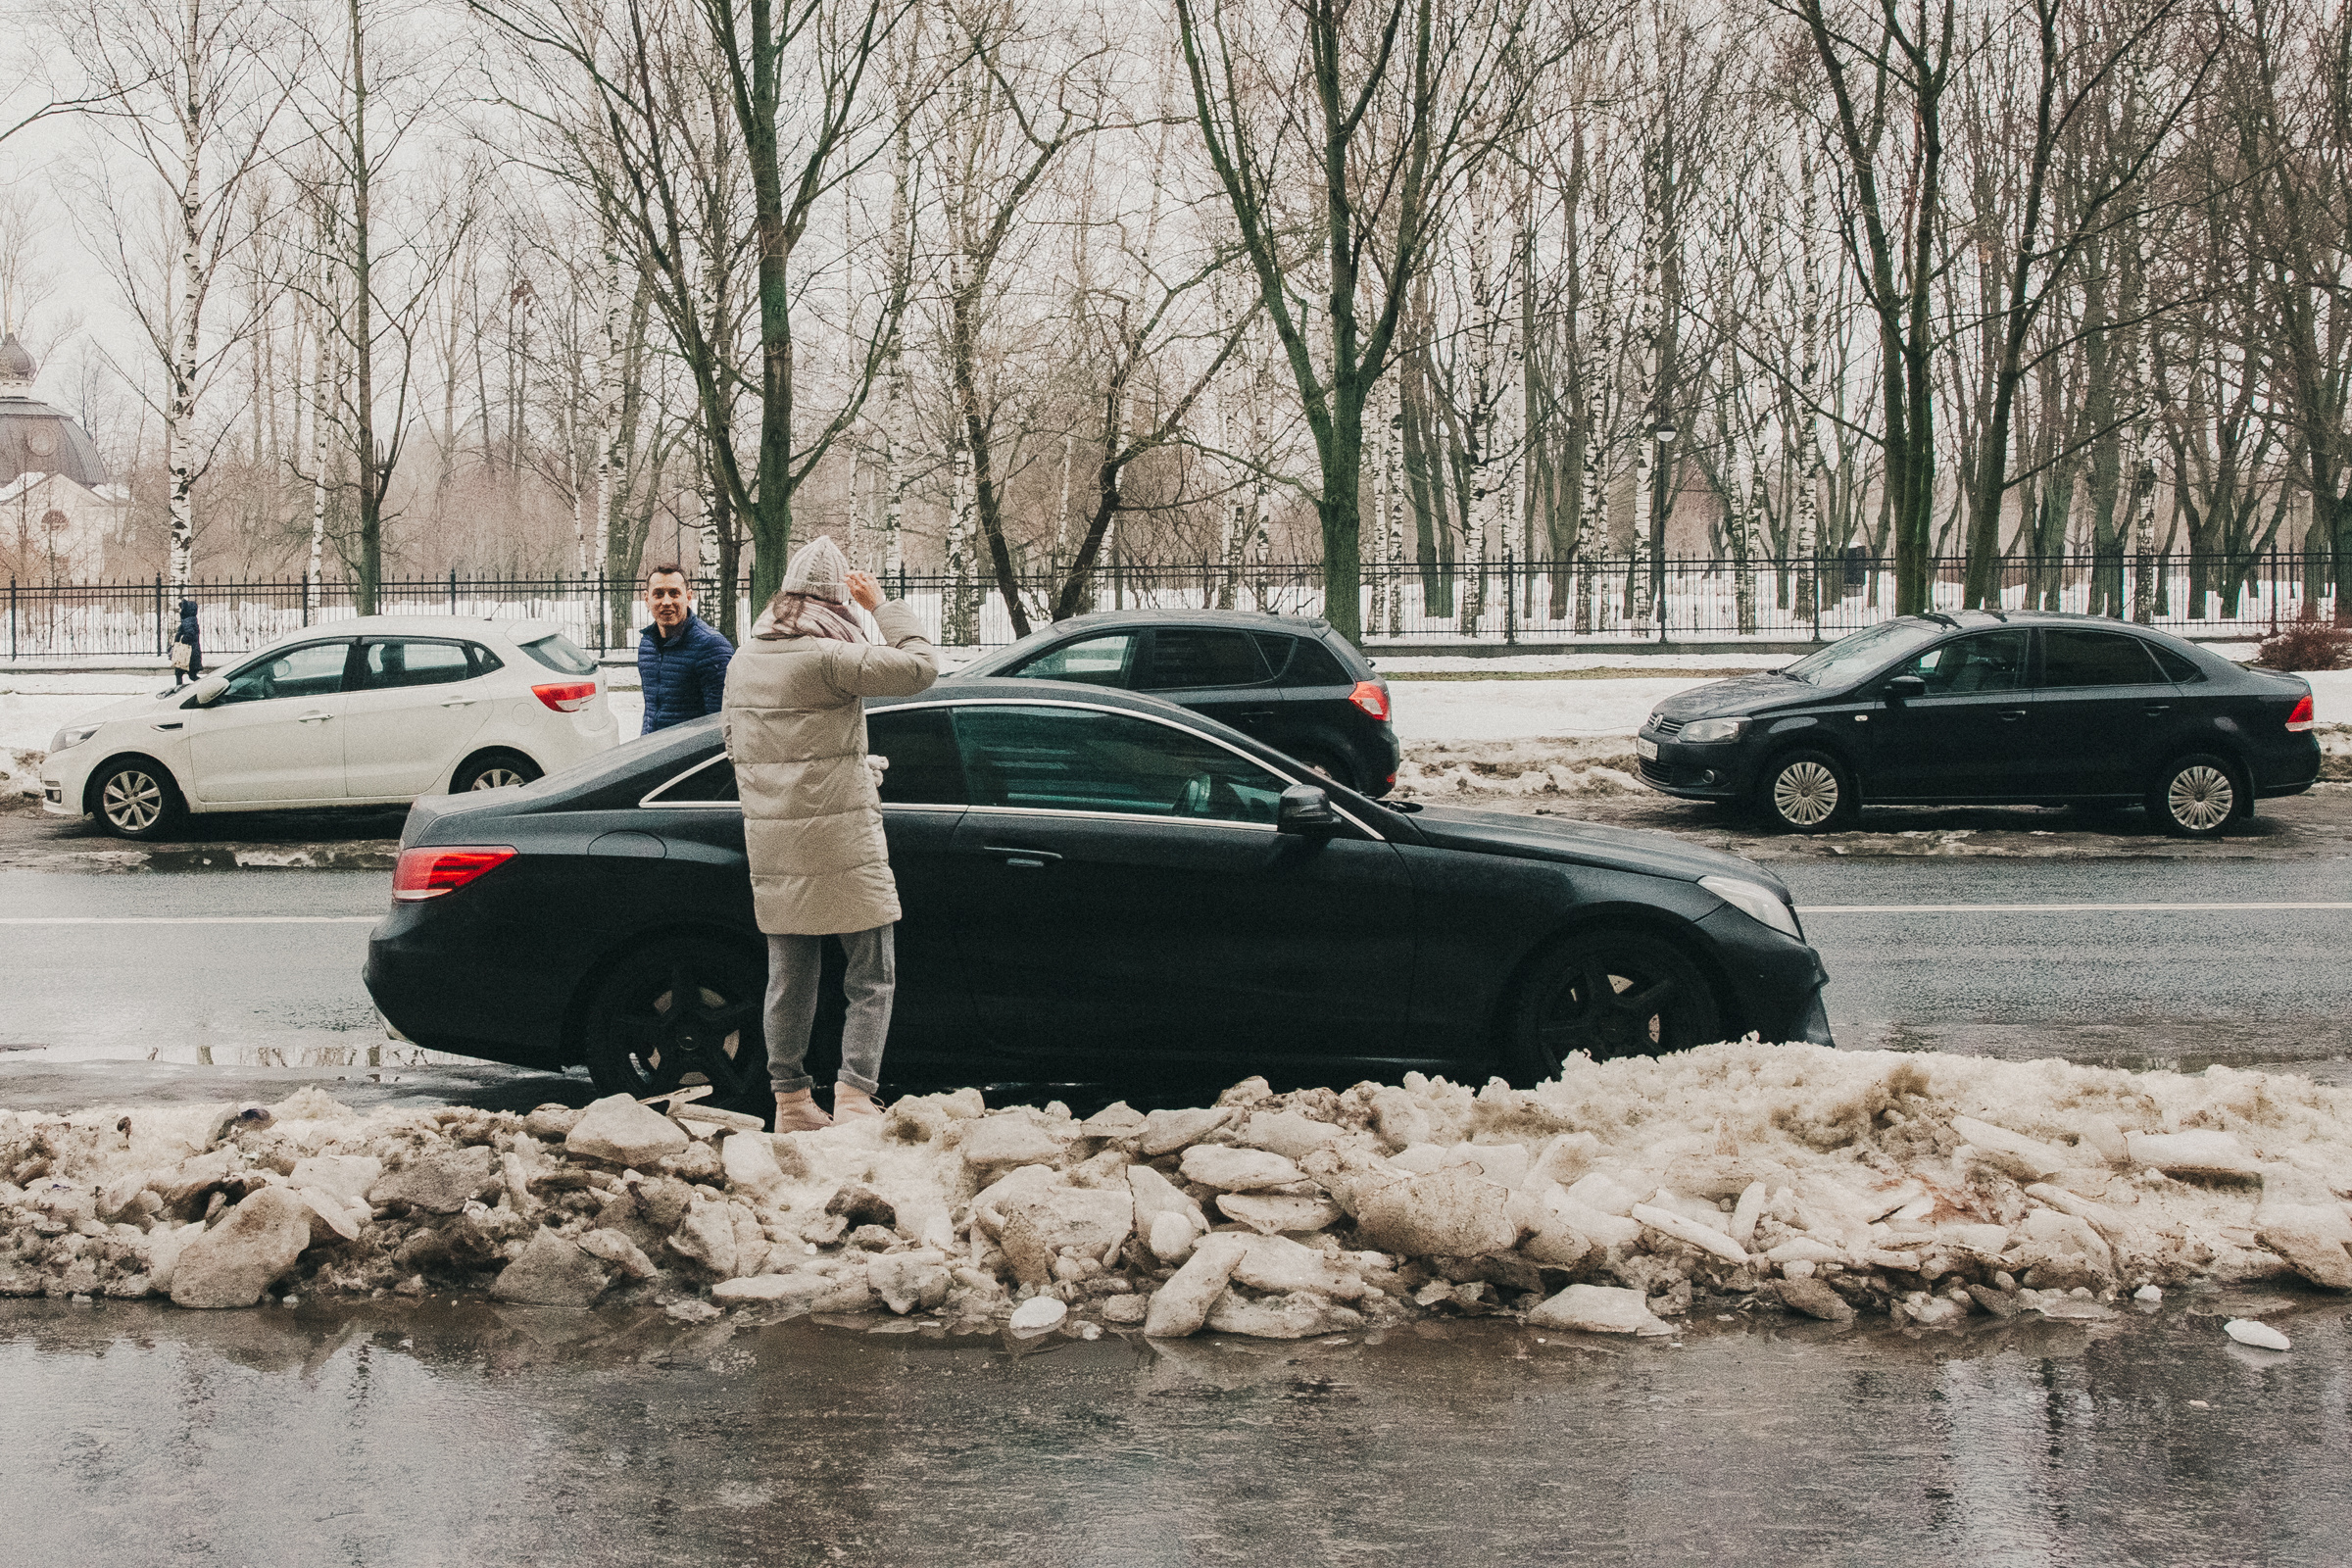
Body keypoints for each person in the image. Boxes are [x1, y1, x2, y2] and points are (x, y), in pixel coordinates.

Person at [721, 536, 937, 1131]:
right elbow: (921, 668)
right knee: (871, 972)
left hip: (775, 842)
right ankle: (854, 1097)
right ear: (839, 597)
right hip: (842, 838)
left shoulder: (746, 658)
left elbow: (737, 746)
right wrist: (884, 604)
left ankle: (790, 1102)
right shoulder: (830, 656)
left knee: (790, 977)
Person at [636, 564, 733, 735]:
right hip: (654, 753)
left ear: (688, 597)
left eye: (674, 593)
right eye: (658, 594)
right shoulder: (647, 645)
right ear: (646, 599)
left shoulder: (711, 646)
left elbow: (722, 722)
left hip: (692, 759)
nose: (666, 602)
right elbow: (651, 712)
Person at [171, 599, 202, 688]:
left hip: (187, 654)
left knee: (181, 673)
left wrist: (182, 638)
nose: (180, 611)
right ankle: (179, 687)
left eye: (182, 608)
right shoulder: (191, 620)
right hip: (191, 653)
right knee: (189, 674)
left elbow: (190, 634)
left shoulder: (188, 621)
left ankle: (179, 689)